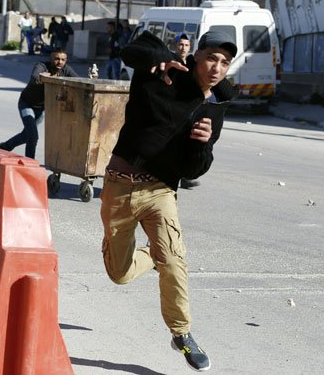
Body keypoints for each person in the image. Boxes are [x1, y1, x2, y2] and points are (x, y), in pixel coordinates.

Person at [99, 30, 238, 372]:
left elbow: (194, 170)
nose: (216, 68)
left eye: (225, 62)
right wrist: (155, 56)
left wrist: (203, 145)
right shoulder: (162, 74)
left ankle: (182, 333)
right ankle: (152, 254)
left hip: (161, 192)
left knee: (175, 260)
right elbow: (130, 49)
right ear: (196, 56)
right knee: (119, 274)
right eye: (211, 58)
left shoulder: (211, 111)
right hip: (119, 185)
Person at [0, 50, 98, 159]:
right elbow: (35, 78)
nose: (60, 62)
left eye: (63, 60)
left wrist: (91, 79)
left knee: (27, 134)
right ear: (50, 59)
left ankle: (6, 146)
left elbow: (79, 83)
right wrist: (44, 77)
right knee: (33, 136)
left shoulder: (65, 69)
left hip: (42, 109)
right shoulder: (42, 66)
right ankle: (30, 161)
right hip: (27, 104)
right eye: (56, 59)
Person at [171, 33, 200, 190]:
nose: (183, 47)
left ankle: (186, 176)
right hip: (172, 108)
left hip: (187, 108)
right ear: (175, 46)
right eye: (180, 44)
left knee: (188, 142)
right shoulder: (170, 61)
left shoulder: (191, 63)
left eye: (186, 45)